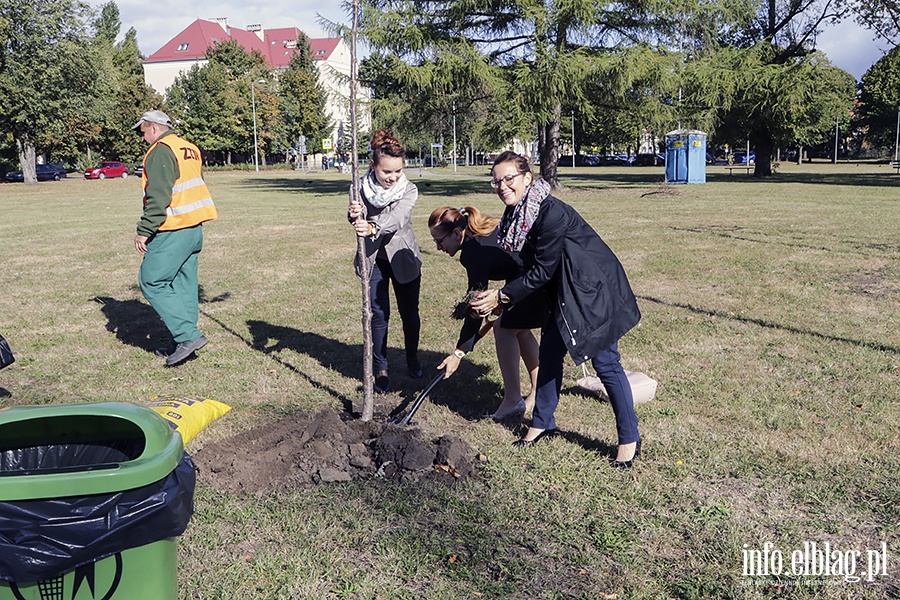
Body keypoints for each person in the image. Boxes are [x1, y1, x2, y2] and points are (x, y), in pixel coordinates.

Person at [471, 151, 642, 469]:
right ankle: (542, 422)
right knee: (549, 356)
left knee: (606, 365)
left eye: (508, 178)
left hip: (590, 293)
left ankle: (629, 439)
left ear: (526, 177)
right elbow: (520, 263)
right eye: (496, 181)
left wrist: (502, 296)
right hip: (562, 294)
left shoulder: (550, 213)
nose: (502, 186)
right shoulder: (517, 216)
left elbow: (543, 269)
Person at [428, 205, 546, 419]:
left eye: (439, 241)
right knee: (520, 329)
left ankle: (512, 400)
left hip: (538, 277)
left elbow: (478, 306)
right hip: (528, 274)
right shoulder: (478, 234)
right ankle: (540, 392)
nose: (437, 248)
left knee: (505, 327)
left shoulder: (475, 252)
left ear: (456, 233)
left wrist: (459, 353)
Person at [132, 110, 217, 367]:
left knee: (151, 280)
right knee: (183, 285)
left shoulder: (160, 150)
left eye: (143, 131)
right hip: (193, 227)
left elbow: (159, 196)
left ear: (155, 128)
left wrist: (144, 230)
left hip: (174, 227)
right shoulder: (188, 147)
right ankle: (182, 339)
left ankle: (188, 336)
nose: (142, 136)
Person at [348, 129, 422, 393]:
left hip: (404, 257)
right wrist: (354, 214)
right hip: (373, 259)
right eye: (386, 172)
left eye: (397, 172)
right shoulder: (358, 187)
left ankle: (412, 357)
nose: (392, 178)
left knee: (409, 313)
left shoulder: (409, 189)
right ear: (373, 166)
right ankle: (381, 367)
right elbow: (356, 220)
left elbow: (398, 218)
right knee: (378, 314)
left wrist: (372, 226)